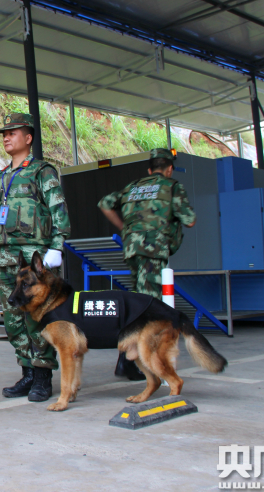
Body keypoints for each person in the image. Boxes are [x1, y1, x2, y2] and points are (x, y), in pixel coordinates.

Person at [0, 113, 71, 402]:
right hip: (5, 257)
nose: (6, 137)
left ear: (28, 138)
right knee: (13, 319)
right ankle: (27, 373)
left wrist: (57, 246)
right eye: (4, 133)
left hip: (34, 258)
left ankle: (43, 374)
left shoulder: (42, 171)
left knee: (39, 317)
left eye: (13, 132)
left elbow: (58, 208)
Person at [98, 147, 196, 379]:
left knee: (140, 301)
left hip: (132, 249)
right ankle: (132, 360)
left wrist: (125, 229)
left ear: (149, 169)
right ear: (169, 169)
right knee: (150, 307)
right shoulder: (172, 186)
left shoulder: (133, 187)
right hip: (154, 250)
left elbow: (104, 203)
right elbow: (190, 220)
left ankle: (129, 360)